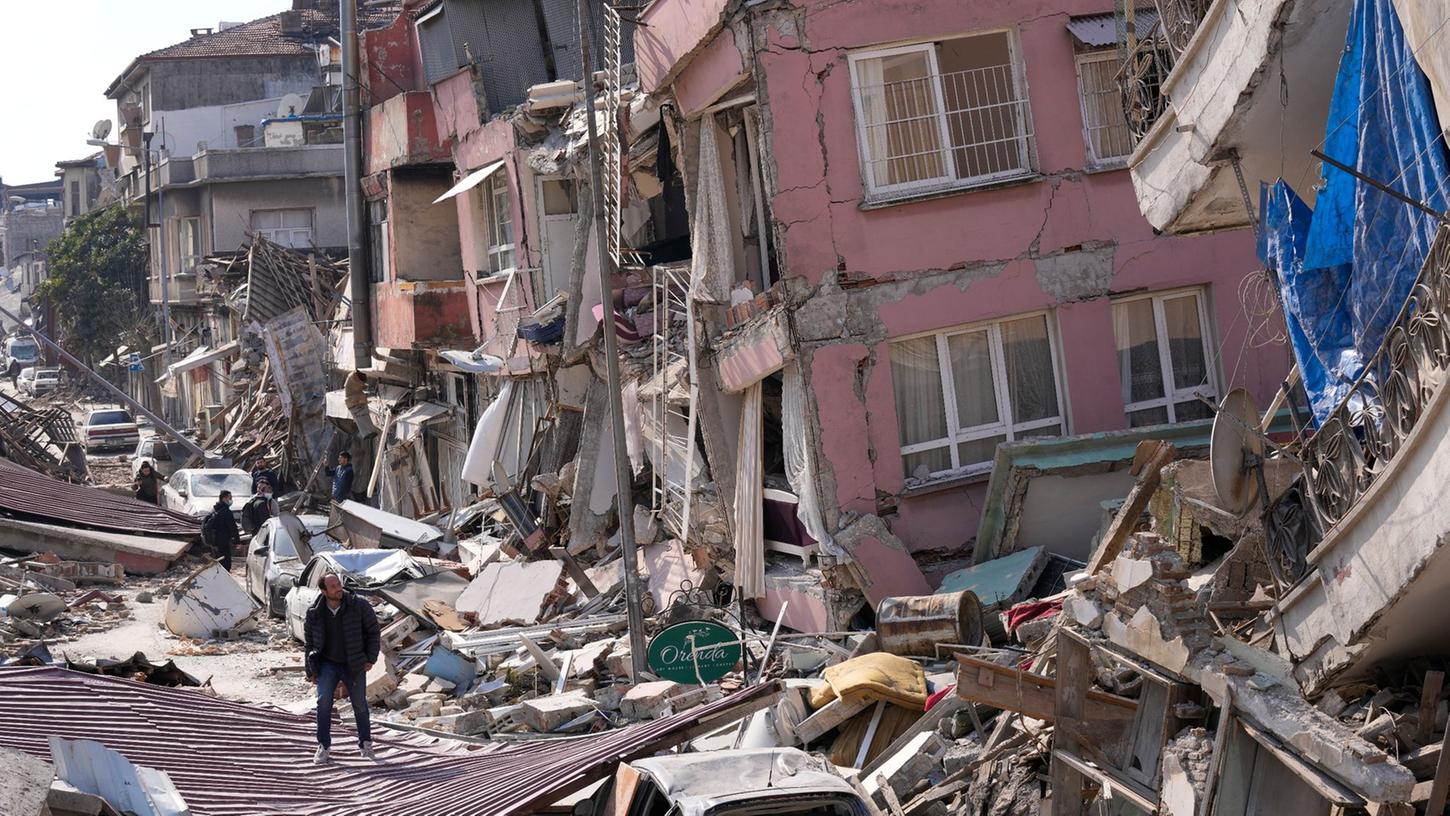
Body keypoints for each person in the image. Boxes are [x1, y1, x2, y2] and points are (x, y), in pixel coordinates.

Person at [304, 573, 379, 763]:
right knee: (323, 704)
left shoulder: (359, 605)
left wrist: (370, 658)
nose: (339, 588)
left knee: (360, 705)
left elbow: (373, 632)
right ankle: (324, 746)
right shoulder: (315, 612)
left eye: (339, 584)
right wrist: (310, 670)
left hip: (353, 663)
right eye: (333, 586)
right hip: (327, 664)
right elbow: (309, 643)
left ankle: (365, 744)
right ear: (324, 591)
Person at [201, 490, 240, 571]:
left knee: (218, 561)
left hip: (215, 541)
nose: (231, 500)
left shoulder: (215, 509)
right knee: (226, 563)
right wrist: (237, 541)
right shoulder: (226, 512)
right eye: (229, 498)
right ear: (224, 498)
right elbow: (233, 527)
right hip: (224, 541)